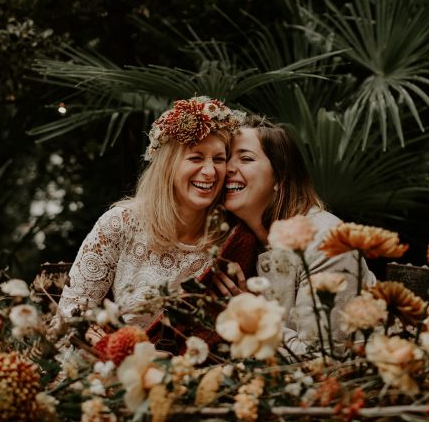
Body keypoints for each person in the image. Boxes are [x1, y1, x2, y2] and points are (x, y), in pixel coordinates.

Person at [53, 97, 242, 333]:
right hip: (108, 361)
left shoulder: (230, 241)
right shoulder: (120, 223)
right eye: (196, 157)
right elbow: (70, 316)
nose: (209, 171)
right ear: (168, 165)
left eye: (219, 159)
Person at [217, 114, 376, 354]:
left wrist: (253, 314)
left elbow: (324, 359)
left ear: (280, 177)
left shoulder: (328, 241)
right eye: (226, 159)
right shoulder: (240, 240)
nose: (227, 168)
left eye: (246, 158)